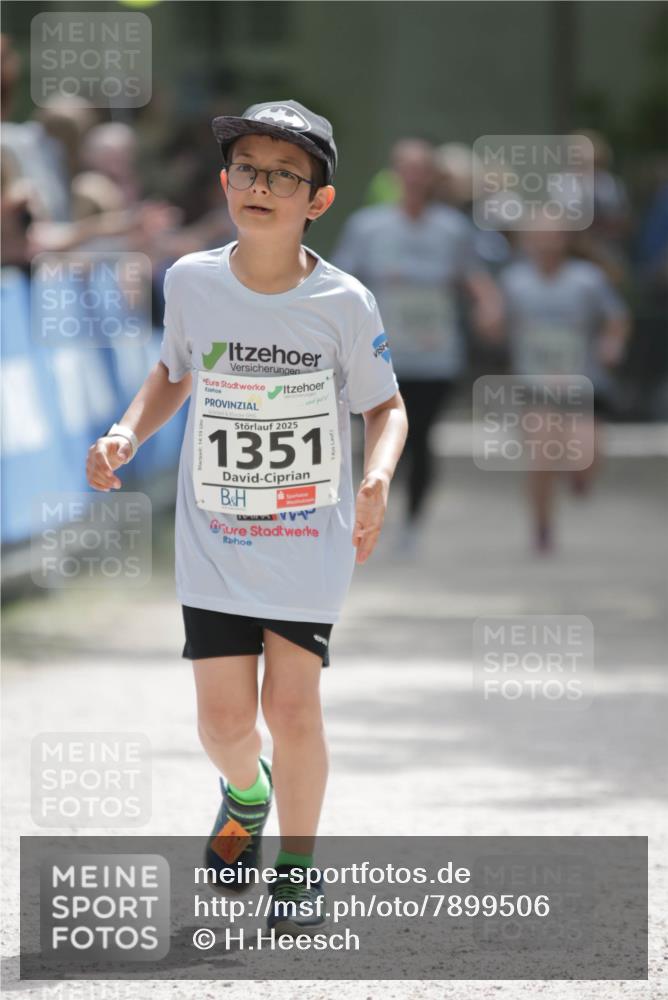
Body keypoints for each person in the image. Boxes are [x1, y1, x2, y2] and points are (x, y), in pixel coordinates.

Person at [85, 99, 408, 936]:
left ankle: (298, 870)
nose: (260, 185)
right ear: (227, 183)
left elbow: (387, 407)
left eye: (284, 175)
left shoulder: (344, 301)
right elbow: (173, 371)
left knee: (294, 709)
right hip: (216, 536)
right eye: (248, 170)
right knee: (225, 722)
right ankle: (246, 792)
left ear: (318, 200)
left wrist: (375, 478)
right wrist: (126, 429)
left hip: (307, 536)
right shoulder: (191, 280)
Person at [332, 138, 502, 554]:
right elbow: (339, 282)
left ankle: (411, 524)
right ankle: (367, 516)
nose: (412, 176)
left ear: (432, 176)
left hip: (435, 355)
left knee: (421, 438)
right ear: (394, 173)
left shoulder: (452, 229)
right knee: (371, 438)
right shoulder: (367, 226)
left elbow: (474, 276)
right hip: (378, 354)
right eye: (404, 167)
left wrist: (489, 306)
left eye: (420, 168)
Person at [500, 213, 630, 553]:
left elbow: (616, 318)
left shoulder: (588, 280)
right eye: (537, 236)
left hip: (584, 386)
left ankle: (579, 478)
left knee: (585, 458)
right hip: (535, 385)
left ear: (565, 240)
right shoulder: (514, 281)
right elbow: (497, 324)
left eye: (552, 235)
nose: (544, 243)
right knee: (542, 457)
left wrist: (612, 342)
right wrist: (489, 321)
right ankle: (542, 527)